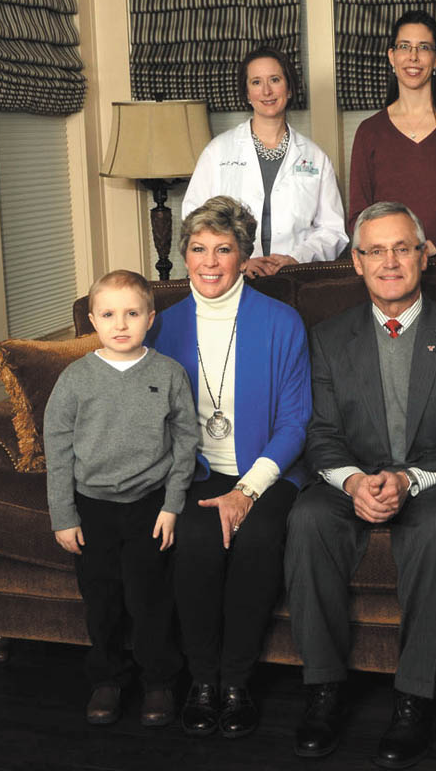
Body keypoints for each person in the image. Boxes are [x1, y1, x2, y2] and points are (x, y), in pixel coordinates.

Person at [285, 201, 436, 768]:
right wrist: (353, 483)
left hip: (435, 480)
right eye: (375, 250)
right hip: (349, 477)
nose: (390, 261)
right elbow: (320, 432)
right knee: (306, 519)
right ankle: (323, 690)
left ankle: (414, 699)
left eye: (402, 247)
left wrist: (407, 479)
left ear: (424, 255)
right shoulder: (327, 337)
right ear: (356, 262)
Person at [147, 196, 312, 738]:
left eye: (224, 249)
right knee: (192, 542)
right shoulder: (162, 326)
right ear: (184, 255)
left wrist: (247, 491)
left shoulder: (281, 321)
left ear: (245, 256)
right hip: (192, 472)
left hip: (267, 471)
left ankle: (237, 682)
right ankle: (202, 680)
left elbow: (294, 422)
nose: (209, 262)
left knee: (259, 539)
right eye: (197, 249)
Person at [44, 270, 198, 727]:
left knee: (150, 600)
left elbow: (186, 442)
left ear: (150, 318)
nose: (121, 323)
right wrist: (63, 514)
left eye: (132, 313)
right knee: (103, 600)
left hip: (149, 506)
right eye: (109, 314)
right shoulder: (75, 379)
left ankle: (159, 682)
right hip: (92, 507)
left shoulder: (169, 374)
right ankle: (108, 678)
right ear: (93, 320)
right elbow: (58, 447)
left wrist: (172, 505)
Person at [182, 46, 347, 278]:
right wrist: (239, 261)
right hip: (230, 278)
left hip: (296, 278)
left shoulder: (315, 158)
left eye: (275, 80)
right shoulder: (218, 152)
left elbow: (333, 230)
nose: (267, 91)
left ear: (289, 89)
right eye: (256, 82)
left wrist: (297, 258)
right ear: (247, 93)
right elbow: (193, 221)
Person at [348, 10, 436, 259]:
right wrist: (393, 252)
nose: (413, 57)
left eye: (423, 47)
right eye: (404, 47)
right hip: (388, 270)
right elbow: (357, 217)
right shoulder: (369, 132)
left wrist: (433, 247)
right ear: (391, 56)